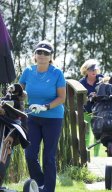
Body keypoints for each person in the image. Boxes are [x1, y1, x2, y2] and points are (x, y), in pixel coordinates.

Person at [19, 40, 66, 192]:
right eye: (39, 52)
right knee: (30, 154)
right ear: (35, 55)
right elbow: (19, 92)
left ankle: (49, 189)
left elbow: (61, 98)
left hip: (53, 118)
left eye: (46, 53)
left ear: (50, 56)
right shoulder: (28, 71)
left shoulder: (57, 73)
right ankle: (40, 185)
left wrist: (45, 106)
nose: (42, 55)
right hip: (32, 118)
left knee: (48, 157)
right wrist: (22, 96)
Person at [79, 59, 103, 156]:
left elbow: (107, 91)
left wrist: (98, 95)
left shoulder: (101, 79)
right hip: (86, 112)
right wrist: (89, 97)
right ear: (86, 70)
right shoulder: (82, 82)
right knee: (86, 133)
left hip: (99, 112)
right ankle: (85, 154)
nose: (93, 71)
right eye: (91, 69)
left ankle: (96, 156)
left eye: (95, 69)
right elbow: (79, 98)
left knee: (98, 135)